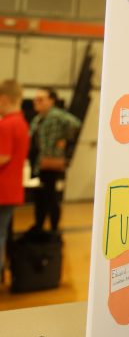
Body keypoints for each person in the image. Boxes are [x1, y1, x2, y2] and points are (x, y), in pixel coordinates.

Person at [29, 88, 80, 233]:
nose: (36, 102)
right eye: (36, 99)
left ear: (51, 101)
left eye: (41, 99)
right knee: (40, 196)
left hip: (51, 162)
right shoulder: (38, 118)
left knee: (50, 197)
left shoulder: (57, 115)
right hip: (40, 162)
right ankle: (39, 226)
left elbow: (75, 124)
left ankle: (53, 229)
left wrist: (64, 139)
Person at [0, 79, 30, 273]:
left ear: (4, 99)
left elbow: (3, 157)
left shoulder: (6, 125)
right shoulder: (22, 123)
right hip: (12, 190)